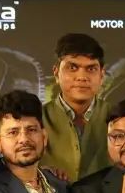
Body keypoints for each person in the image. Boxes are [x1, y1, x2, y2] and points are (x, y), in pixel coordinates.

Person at [41, 33, 111, 182]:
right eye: (72, 67)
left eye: (91, 69)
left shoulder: (120, 119)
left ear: (101, 76)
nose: (82, 77)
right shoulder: (35, 120)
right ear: (56, 73)